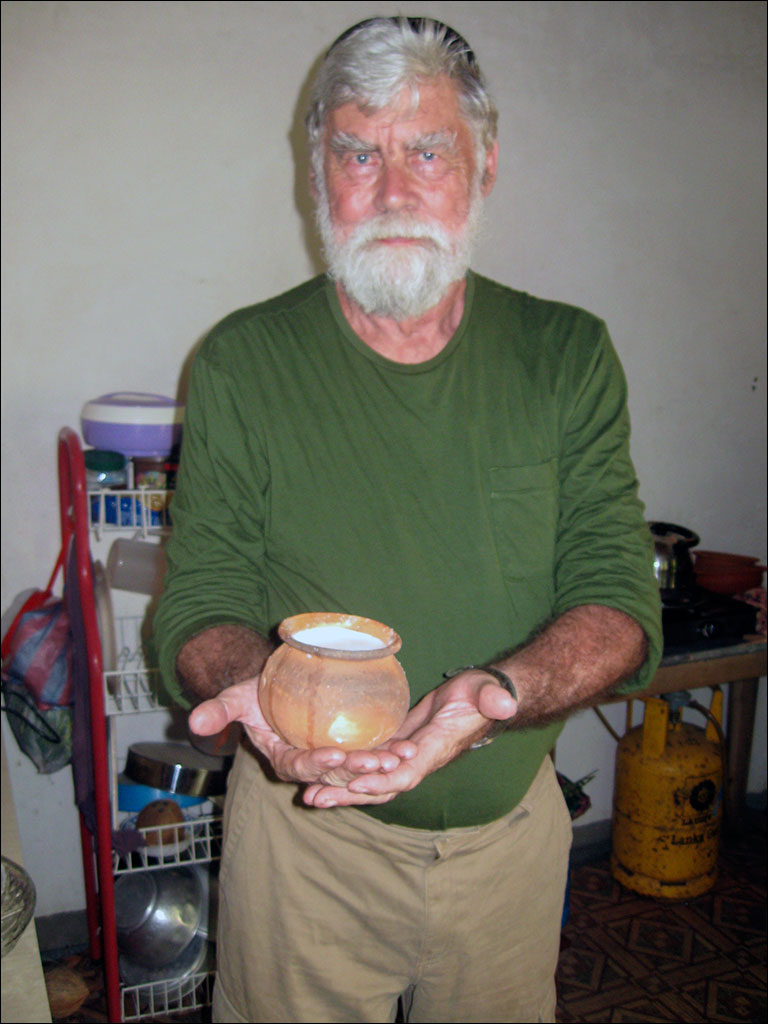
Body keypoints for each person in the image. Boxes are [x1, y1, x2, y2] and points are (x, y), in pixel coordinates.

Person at [154, 16, 662, 1024]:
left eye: (427, 152)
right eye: (359, 154)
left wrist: (494, 699)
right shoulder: (242, 363)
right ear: (318, 173)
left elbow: (618, 599)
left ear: (485, 166)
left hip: (508, 852)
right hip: (305, 851)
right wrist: (262, 701)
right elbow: (202, 596)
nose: (392, 191)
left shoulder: (566, 356)